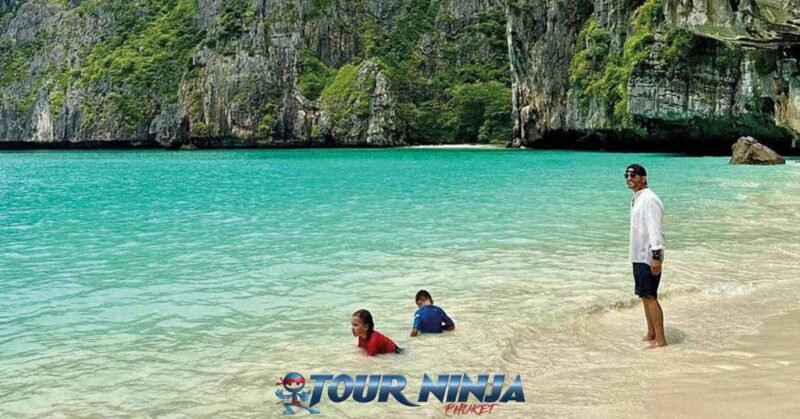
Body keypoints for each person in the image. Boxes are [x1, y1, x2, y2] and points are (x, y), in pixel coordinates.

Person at [625, 163, 667, 349]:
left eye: (633, 175)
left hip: (648, 255)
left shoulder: (650, 200)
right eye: (627, 176)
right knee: (644, 295)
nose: (629, 179)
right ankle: (651, 333)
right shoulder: (638, 198)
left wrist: (656, 256)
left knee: (650, 296)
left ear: (643, 178)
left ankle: (661, 340)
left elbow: (655, 228)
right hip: (638, 254)